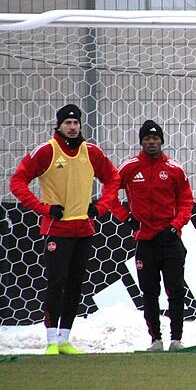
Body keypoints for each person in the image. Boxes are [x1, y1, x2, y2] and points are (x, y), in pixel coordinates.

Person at [10, 104, 121, 355]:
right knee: (55, 283)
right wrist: (43, 208)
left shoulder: (91, 151)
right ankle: (50, 340)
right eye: (68, 123)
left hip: (83, 229)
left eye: (76, 123)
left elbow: (114, 178)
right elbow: (17, 181)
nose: (72, 127)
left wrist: (101, 206)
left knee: (75, 285)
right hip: (56, 228)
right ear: (59, 125)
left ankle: (65, 338)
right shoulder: (46, 151)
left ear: (81, 125)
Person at [110, 120, 194, 352]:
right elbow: (109, 193)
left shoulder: (174, 169)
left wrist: (176, 225)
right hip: (145, 242)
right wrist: (125, 218)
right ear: (141, 142)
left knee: (175, 289)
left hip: (170, 241)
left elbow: (186, 201)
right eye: (147, 139)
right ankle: (155, 339)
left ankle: (176, 339)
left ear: (162, 141)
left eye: (155, 139)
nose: (151, 142)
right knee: (149, 293)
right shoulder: (129, 167)